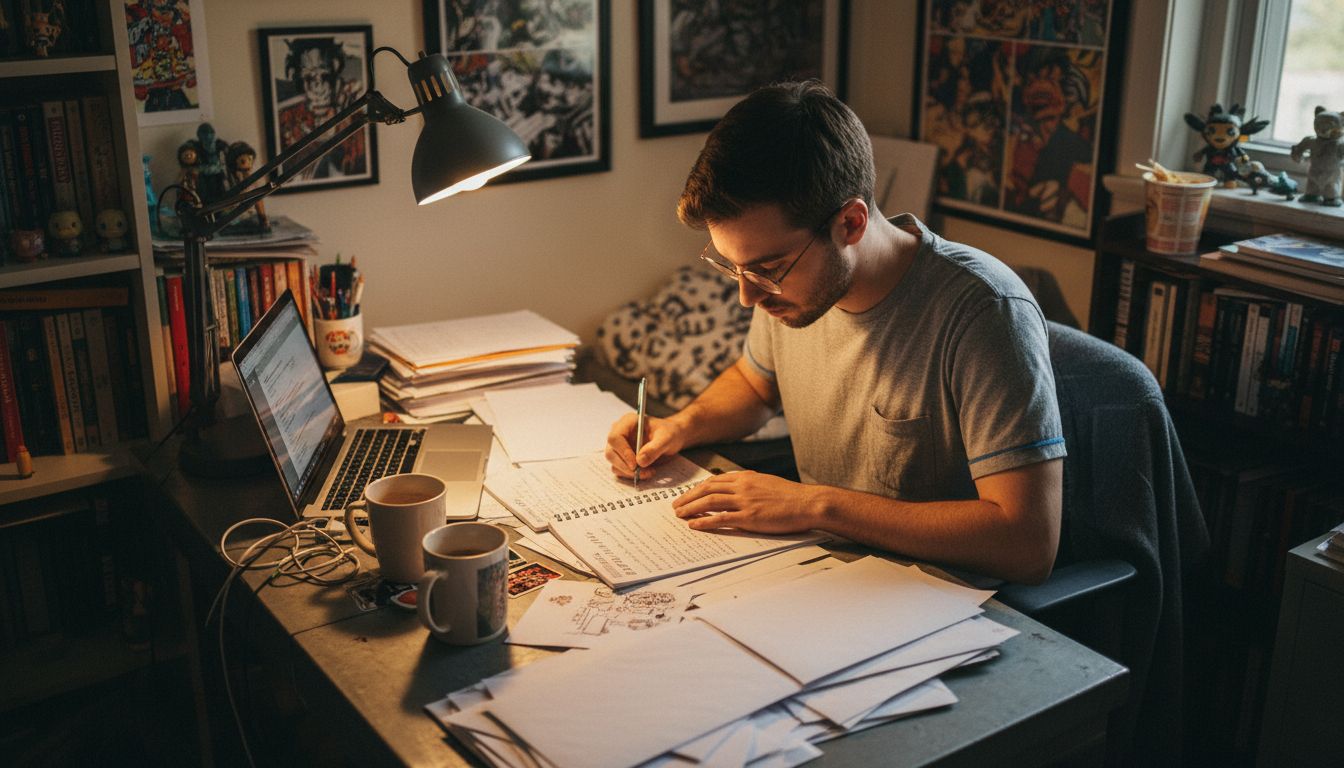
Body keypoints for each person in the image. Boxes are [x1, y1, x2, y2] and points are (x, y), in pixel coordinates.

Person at [604, 81, 1065, 584]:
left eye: (765, 269)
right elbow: (756, 385)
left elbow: (1028, 542)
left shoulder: (984, 313)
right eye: (732, 268)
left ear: (850, 223)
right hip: (824, 573)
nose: (747, 296)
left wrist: (816, 505)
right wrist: (681, 426)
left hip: (937, 606)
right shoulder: (792, 288)